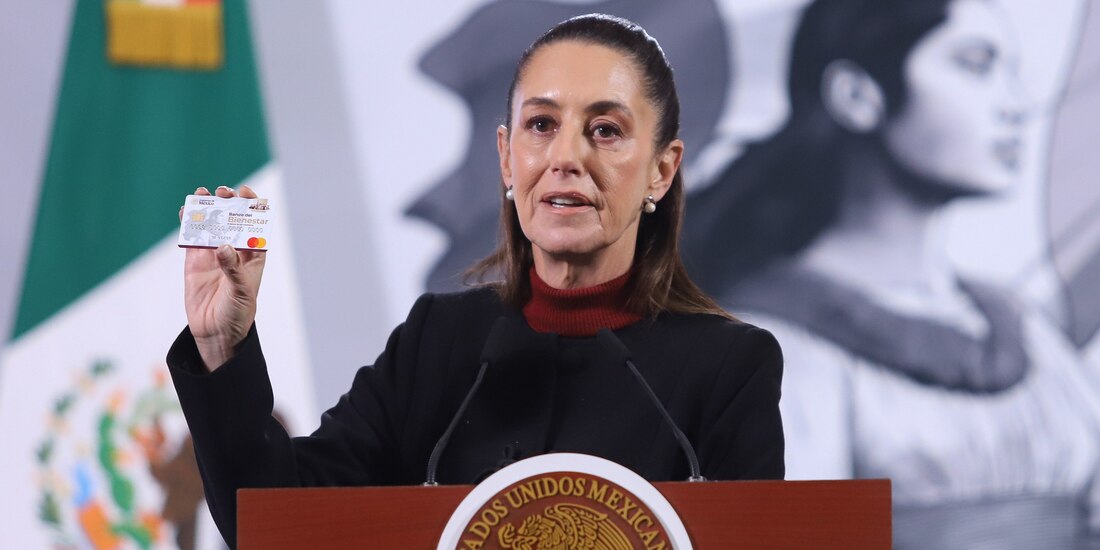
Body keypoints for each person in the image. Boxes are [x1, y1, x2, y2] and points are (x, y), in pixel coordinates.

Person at [169, 14, 784, 547]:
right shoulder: (438, 343)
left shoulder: (730, 368)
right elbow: (276, 523)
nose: (566, 157)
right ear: (506, 157)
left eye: (605, 131)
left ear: (661, 170)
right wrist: (222, 346)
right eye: (541, 125)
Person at [685, 0, 1100, 547]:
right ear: (858, 97)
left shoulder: (1023, 331)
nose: (1018, 104)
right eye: (976, 65)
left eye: (1011, 72)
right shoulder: (775, 350)